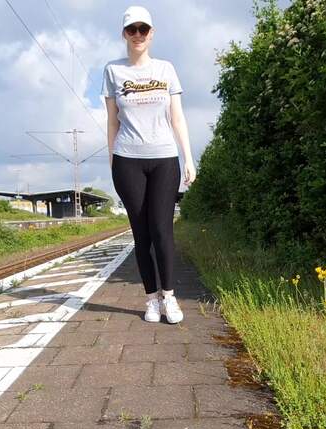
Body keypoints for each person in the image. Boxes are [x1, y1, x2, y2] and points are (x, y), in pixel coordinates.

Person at [101, 5, 196, 324]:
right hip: (127, 160)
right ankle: (151, 299)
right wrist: (112, 160)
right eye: (132, 29)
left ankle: (169, 297)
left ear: (151, 33)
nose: (138, 34)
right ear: (124, 34)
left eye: (143, 29)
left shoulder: (166, 69)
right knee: (141, 235)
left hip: (164, 159)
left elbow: (177, 117)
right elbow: (112, 121)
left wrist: (188, 157)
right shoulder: (113, 71)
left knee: (162, 230)